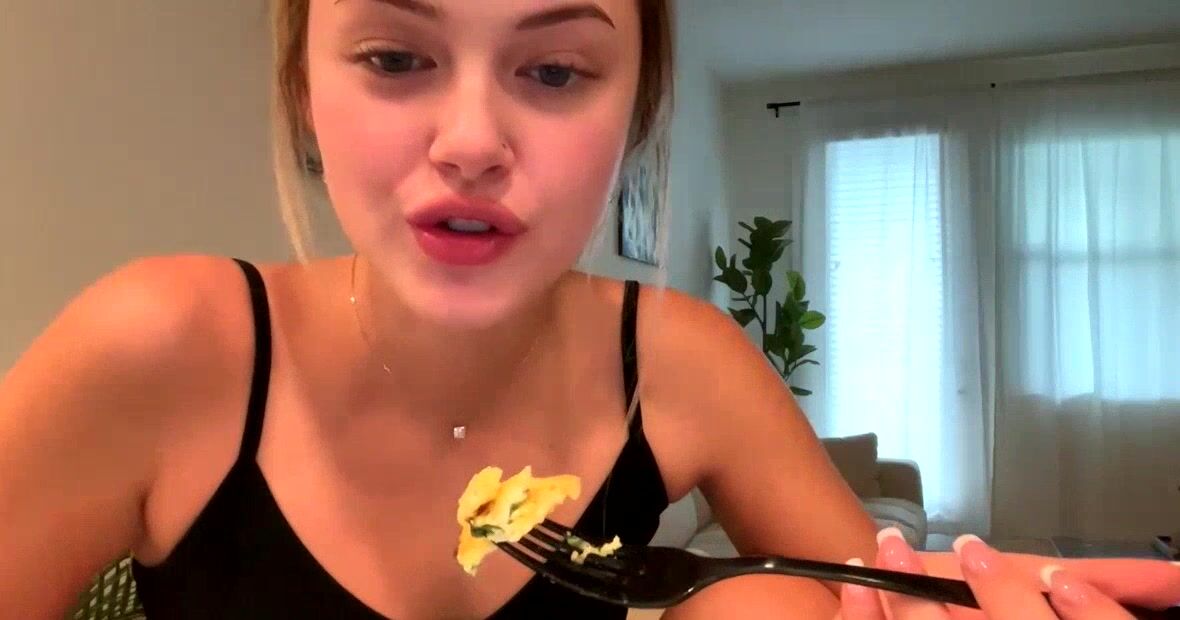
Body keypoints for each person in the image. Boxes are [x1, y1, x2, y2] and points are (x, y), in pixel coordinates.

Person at [1, 1, 1177, 618]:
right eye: (395, 58)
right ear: (302, 82)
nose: (470, 142)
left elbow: (859, 594)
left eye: (554, 71)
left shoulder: (678, 361)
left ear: (637, 108)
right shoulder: (163, 346)